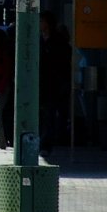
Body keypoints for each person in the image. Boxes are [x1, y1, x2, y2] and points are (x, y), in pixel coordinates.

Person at [39, 11, 72, 155]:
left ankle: (46, 144)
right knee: (44, 115)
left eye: (42, 21)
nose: (39, 24)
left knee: (49, 114)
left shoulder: (58, 41)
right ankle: (43, 141)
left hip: (53, 83)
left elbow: (64, 63)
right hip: (41, 82)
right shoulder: (38, 40)